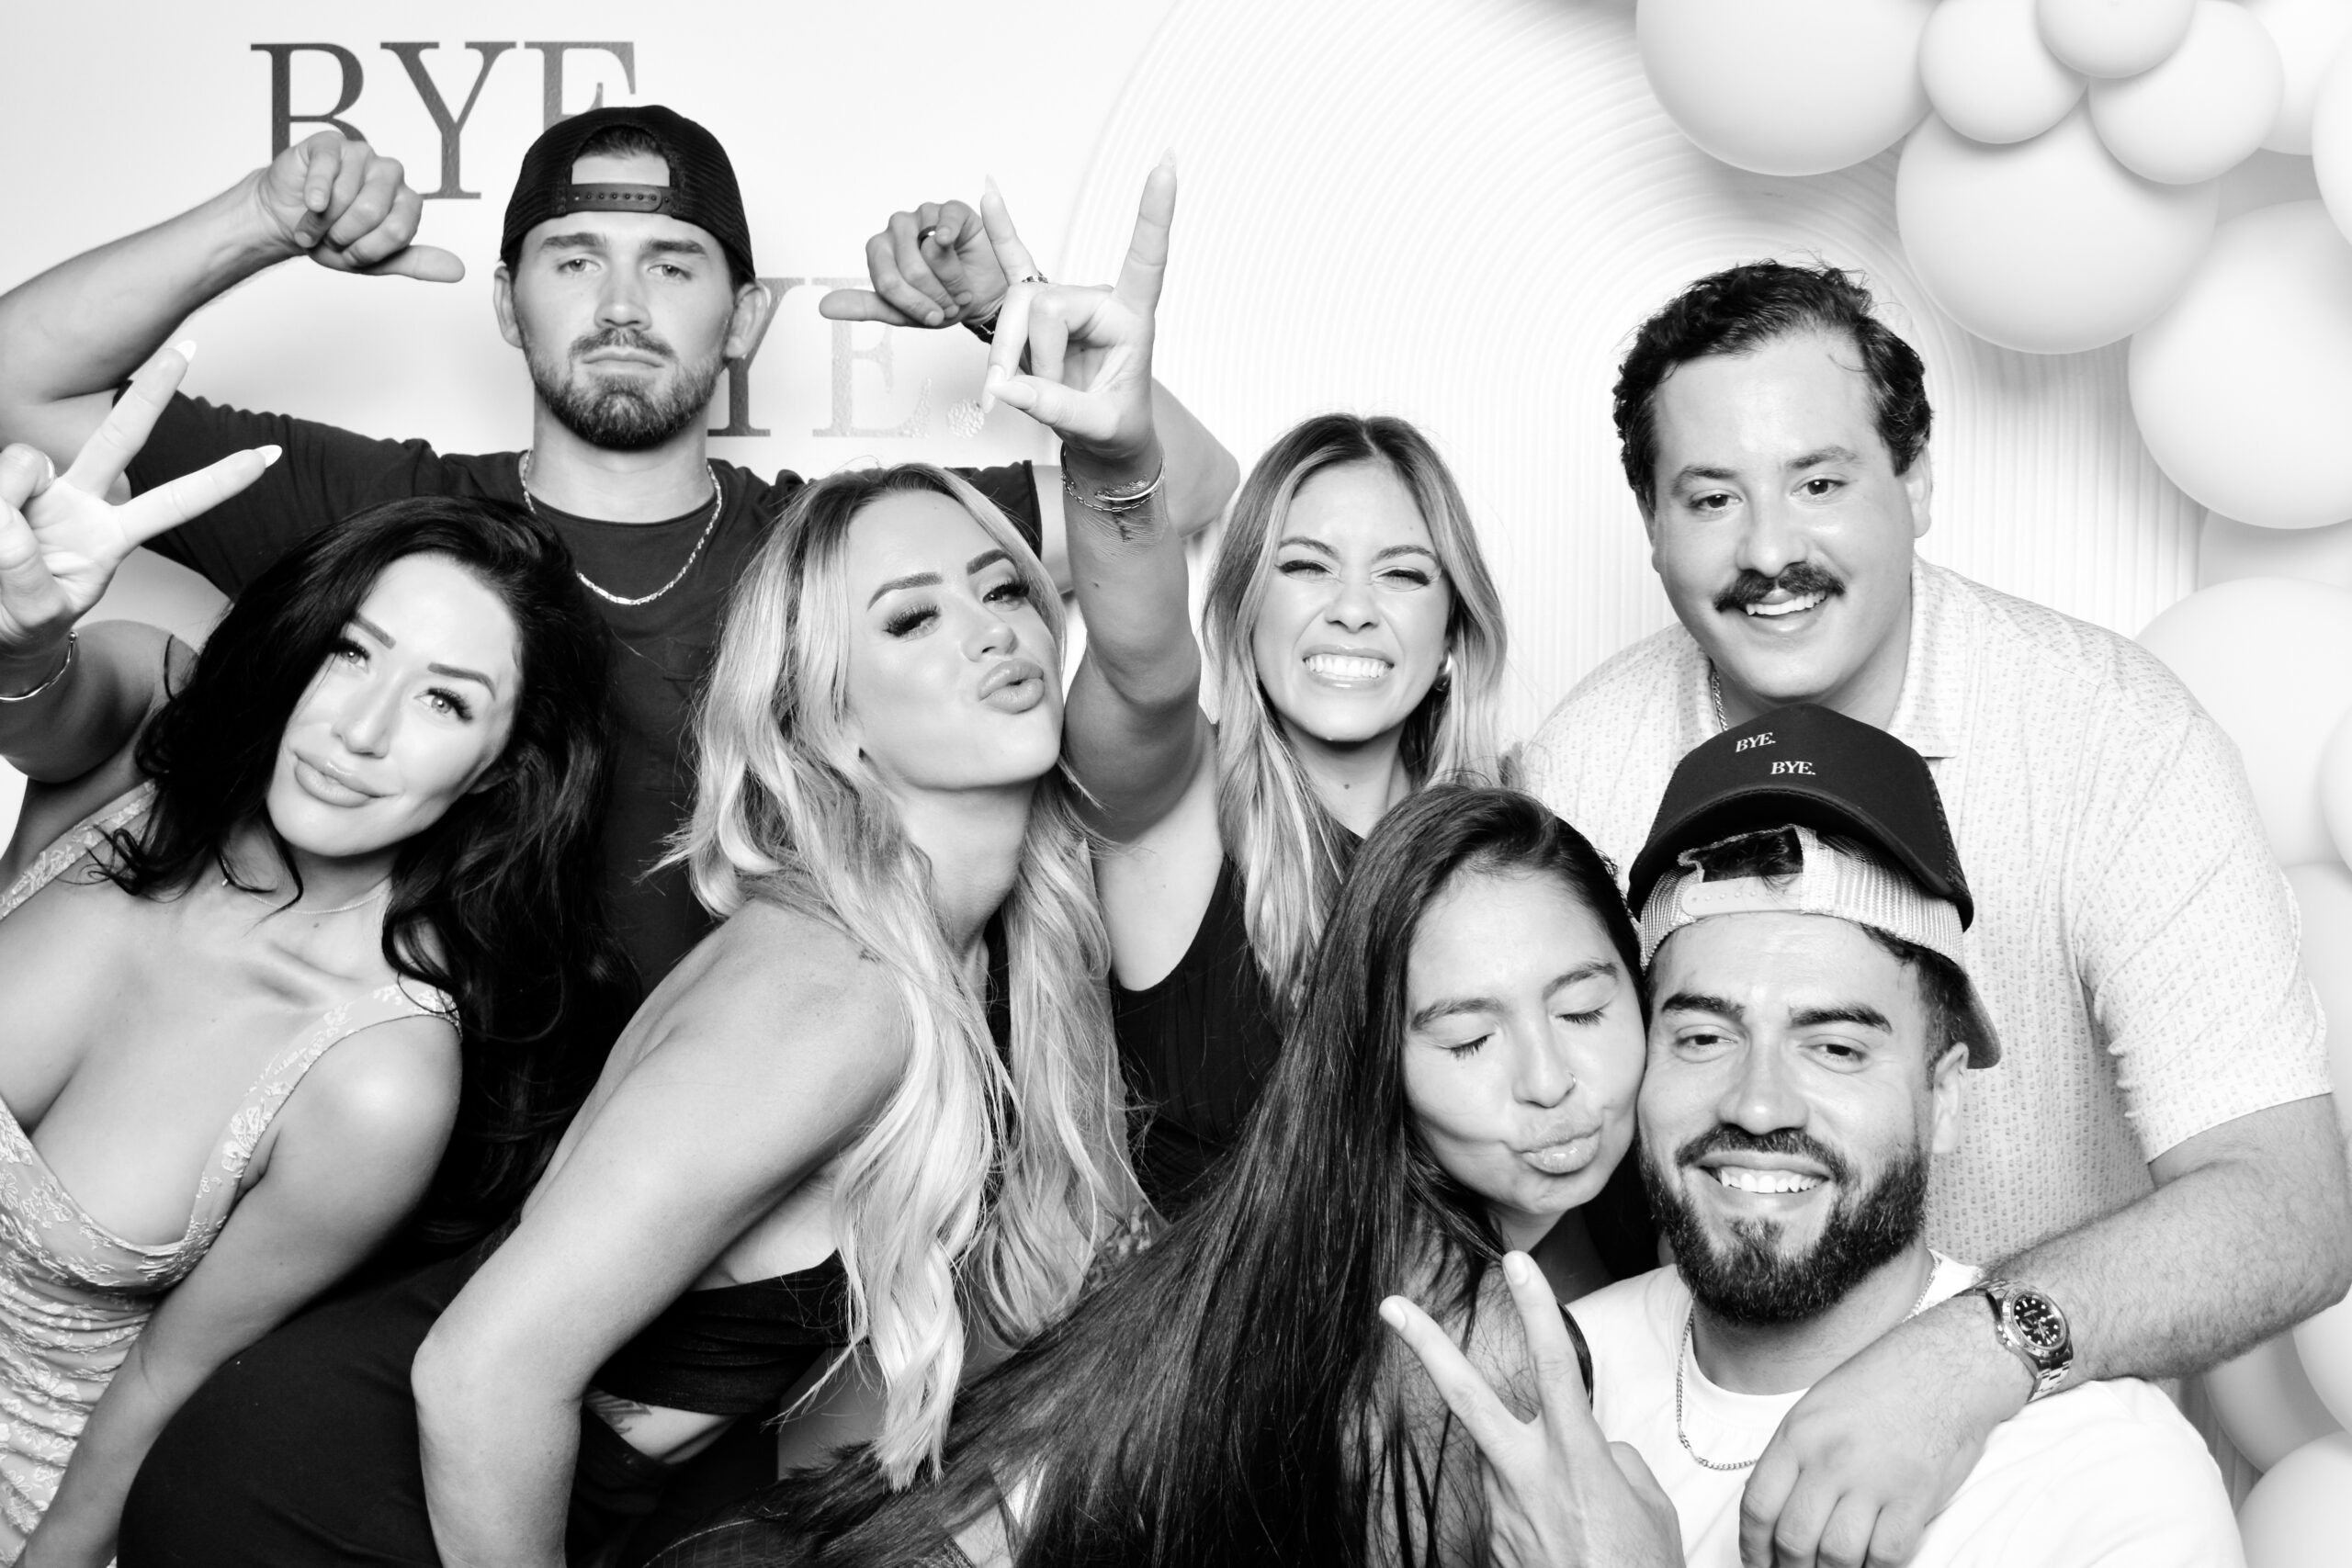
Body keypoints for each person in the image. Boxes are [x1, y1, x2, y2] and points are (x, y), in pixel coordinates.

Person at [117, 454, 1135, 1567]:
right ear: (834, 719)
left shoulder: (957, 958)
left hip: (481, 1502)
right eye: (911, 619)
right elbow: (482, 1373)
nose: (989, 634)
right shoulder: (838, 989)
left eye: (1004, 590)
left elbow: (1148, 683)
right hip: (320, 1510)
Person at [0, 102, 1237, 988]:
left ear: (743, 318)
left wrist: (1007, 314)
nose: (624, 307)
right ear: (508, 303)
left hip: (767, 1153)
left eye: (673, 265)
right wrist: (260, 220)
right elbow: (17, 390)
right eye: (576, 258)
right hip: (418, 1165)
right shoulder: (386, 513)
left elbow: (1181, 485)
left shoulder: (836, 546)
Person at [1516, 261, 2347, 1563]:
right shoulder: (1580, 772)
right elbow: (1511, 1161)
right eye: (1712, 497)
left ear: (1914, 484)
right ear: (1652, 524)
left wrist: (1961, 1360)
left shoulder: (2111, 737)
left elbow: (2288, 1202)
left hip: (2040, 1459)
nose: (1768, 549)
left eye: (1820, 482)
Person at [639, 782, 1650, 1568]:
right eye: (1469, 1039)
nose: (1549, 1082)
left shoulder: (1300, 1220)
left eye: (1583, 1010)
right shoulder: (1472, 1341)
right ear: (1378, 1059)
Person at [0, 348, 628, 1568]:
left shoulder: (378, 1076)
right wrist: (21, 644)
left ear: (500, 769)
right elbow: (40, 701)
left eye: (446, 701)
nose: (361, 729)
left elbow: (165, 1375)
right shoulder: (152, 730)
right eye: (352, 650)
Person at [1392, 705, 2245, 1568]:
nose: (1759, 1106)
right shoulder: (1533, 1396)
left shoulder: (2110, 1477)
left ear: (1944, 1093)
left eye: (1835, 1047)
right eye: (1703, 1037)